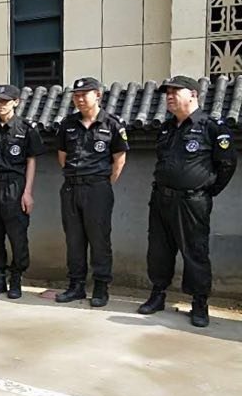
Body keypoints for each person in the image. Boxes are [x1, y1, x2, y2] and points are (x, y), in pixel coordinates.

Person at [138, 75, 237, 327]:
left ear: (193, 94)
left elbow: (227, 164)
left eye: (175, 92)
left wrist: (207, 191)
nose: (169, 97)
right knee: (158, 251)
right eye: (167, 93)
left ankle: (199, 303)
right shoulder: (166, 128)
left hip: (192, 202)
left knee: (195, 252)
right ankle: (158, 294)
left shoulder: (212, 127)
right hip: (161, 200)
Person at [55, 77, 129, 308]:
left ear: (97, 95)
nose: (79, 99)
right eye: (76, 96)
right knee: (74, 240)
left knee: (99, 240)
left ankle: (100, 286)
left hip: (98, 189)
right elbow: (62, 157)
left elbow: (119, 160)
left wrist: (101, 183)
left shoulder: (112, 124)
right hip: (71, 187)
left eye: (83, 95)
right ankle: (76, 285)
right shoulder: (68, 124)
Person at [0, 84, 44, 299]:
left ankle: (16, 278)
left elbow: (31, 161)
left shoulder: (25, 128)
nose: (0, 105)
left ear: (16, 102)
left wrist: (27, 192)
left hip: (15, 186)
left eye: (5, 101)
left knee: (17, 235)